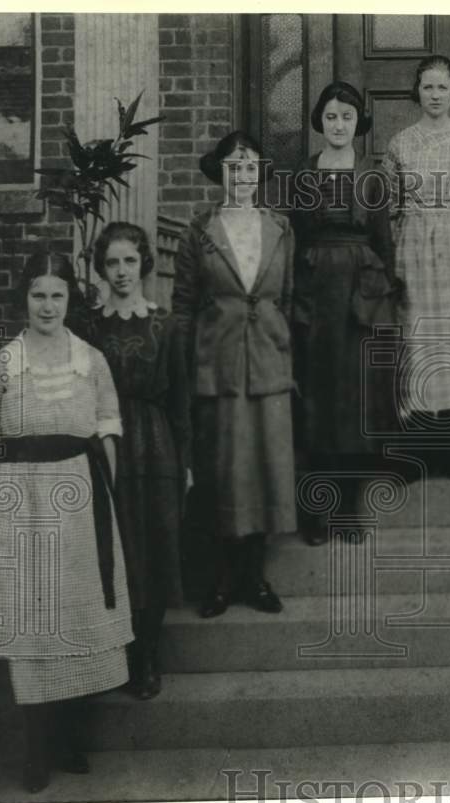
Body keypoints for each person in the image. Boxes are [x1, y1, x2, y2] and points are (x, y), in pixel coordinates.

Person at [0, 250, 132, 792]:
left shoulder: (90, 359)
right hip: (20, 507)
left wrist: (101, 496)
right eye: (38, 294)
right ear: (24, 299)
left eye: (57, 294)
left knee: (78, 617)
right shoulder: (2, 364)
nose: (47, 305)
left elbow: (108, 428)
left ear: (70, 299)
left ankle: (70, 740)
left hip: (81, 501)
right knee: (34, 624)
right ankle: (35, 751)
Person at [173, 130, 295, 618]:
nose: (243, 177)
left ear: (261, 172)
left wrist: (282, 347)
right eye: (233, 168)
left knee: (265, 468)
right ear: (220, 173)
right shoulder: (199, 229)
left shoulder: (281, 227)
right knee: (224, 471)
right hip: (217, 363)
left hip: (268, 361)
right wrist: (185, 365)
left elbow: (285, 297)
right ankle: (222, 579)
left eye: (250, 168)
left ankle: (255, 576)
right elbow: (183, 305)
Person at [292, 81, 400, 545]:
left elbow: (384, 244)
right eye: (332, 117)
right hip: (316, 296)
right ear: (321, 122)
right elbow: (294, 242)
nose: (339, 125)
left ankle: (350, 508)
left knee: (357, 401)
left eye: (348, 117)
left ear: (359, 124)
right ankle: (316, 510)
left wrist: (382, 300)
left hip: (361, 298)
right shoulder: (303, 176)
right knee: (318, 401)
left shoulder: (372, 177)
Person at [86, 222, 190, 698]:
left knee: (154, 547)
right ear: (101, 268)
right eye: (112, 262)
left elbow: (181, 401)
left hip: (156, 447)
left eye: (130, 261)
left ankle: (147, 654)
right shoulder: (88, 325)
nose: (122, 272)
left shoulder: (164, 323)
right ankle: (117, 654)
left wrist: (184, 462)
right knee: (116, 551)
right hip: (105, 450)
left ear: (144, 263)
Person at [381, 55, 450, 480]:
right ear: (417, 91)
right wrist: (393, 261)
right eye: (427, 87)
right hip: (412, 246)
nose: (434, 95)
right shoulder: (399, 144)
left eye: (442, 88)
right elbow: (389, 210)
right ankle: (417, 453)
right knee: (416, 341)